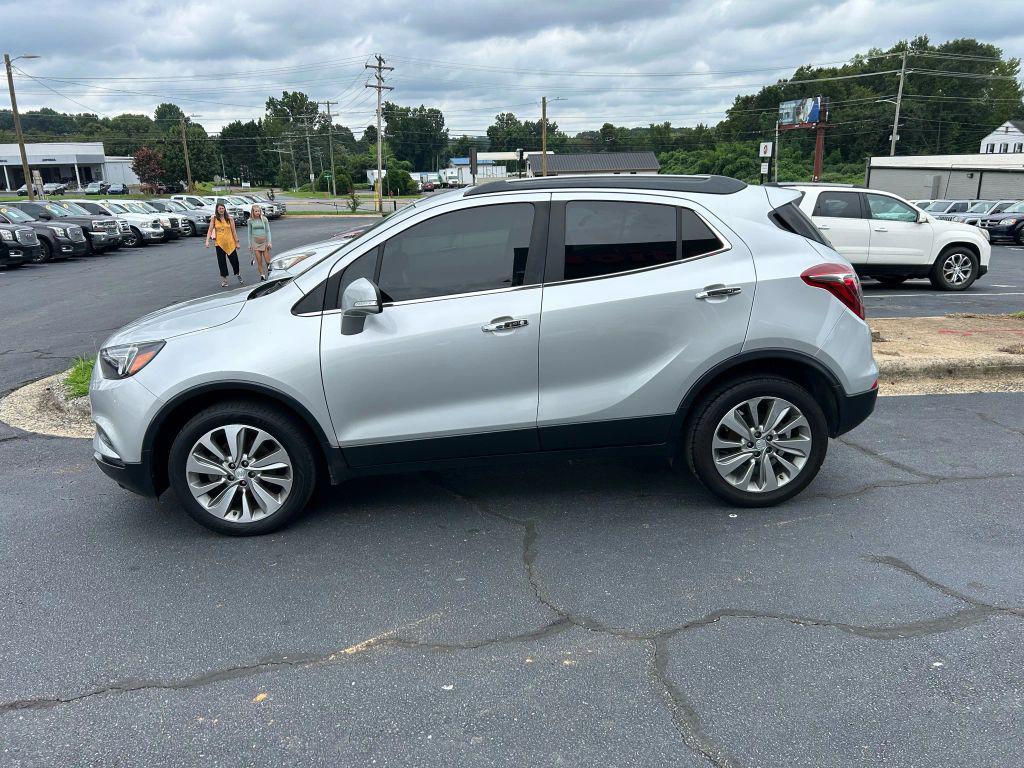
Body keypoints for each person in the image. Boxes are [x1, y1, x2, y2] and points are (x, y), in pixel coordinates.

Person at [205, 202, 242, 288]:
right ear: (217, 210)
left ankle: (238, 273)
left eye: (222, 208)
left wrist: (237, 242)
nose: (221, 210)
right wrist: (207, 241)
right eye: (220, 208)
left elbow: (233, 231)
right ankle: (224, 280)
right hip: (219, 244)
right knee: (221, 262)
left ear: (224, 209)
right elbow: (210, 230)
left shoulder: (229, 219)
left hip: (230, 243)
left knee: (235, 261)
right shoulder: (214, 219)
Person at [246, 204, 273, 281]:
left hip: (264, 242)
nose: (258, 212)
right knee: (259, 261)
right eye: (256, 211)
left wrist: (269, 242)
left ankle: (270, 273)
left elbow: (268, 231)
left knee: (268, 261)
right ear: (253, 212)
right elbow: (249, 233)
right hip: (255, 243)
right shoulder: (250, 221)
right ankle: (262, 275)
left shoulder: (264, 219)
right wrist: (250, 244)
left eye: (259, 211)